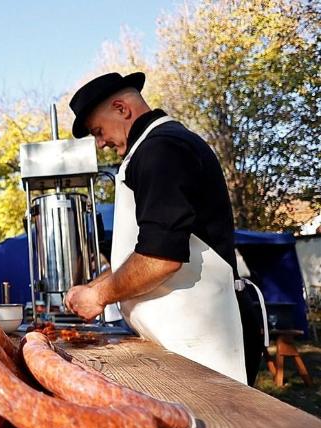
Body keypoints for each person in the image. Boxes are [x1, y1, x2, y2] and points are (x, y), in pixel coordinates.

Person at [63, 72, 265, 385]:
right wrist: (94, 285)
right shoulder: (151, 150)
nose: (101, 143)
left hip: (206, 347)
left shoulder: (161, 150)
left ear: (122, 108)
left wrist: (100, 295)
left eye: (98, 131)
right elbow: (141, 251)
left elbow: (159, 258)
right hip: (179, 345)